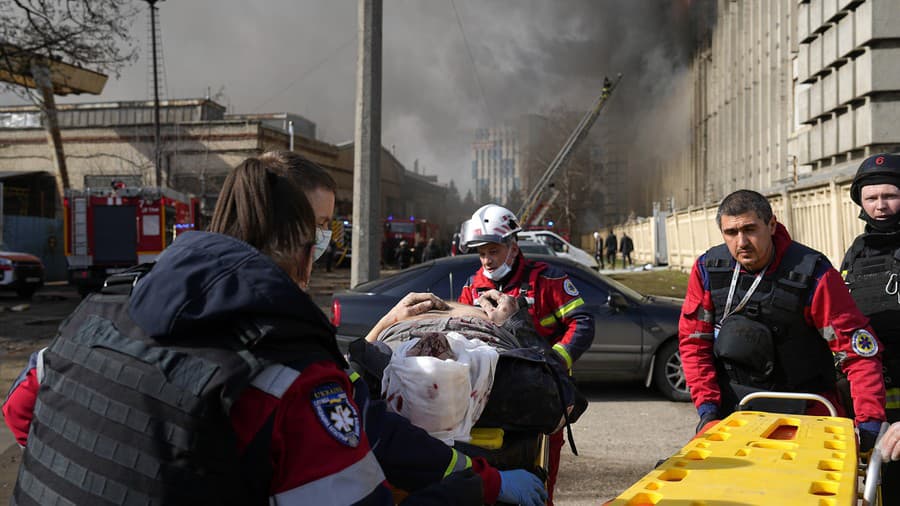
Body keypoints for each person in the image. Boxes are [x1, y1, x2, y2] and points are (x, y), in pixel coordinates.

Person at [4, 151, 544, 506]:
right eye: (320, 231)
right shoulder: (285, 366)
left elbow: (21, 412)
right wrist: (479, 487)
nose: (324, 245)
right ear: (291, 238)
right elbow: (361, 465)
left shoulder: (100, 309)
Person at [678, 189, 885, 447]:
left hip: (806, 412)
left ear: (772, 224)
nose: (741, 242)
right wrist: (708, 410)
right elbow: (694, 343)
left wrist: (868, 425)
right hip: (735, 413)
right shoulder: (708, 270)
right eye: (731, 233)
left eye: (750, 229)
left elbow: (856, 351)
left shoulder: (813, 275)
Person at [457, 203, 595, 505]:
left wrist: (556, 362)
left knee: (539, 483)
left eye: (493, 251)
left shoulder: (548, 279)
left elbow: (582, 323)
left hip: (543, 397)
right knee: (492, 484)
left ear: (513, 247)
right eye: (481, 254)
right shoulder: (471, 287)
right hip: (491, 402)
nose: (487, 260)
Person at [840, 153, 900, 502]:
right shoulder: (857, 252)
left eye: (890, 196)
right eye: (872, 198)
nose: (881, 206)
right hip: (870, 403)